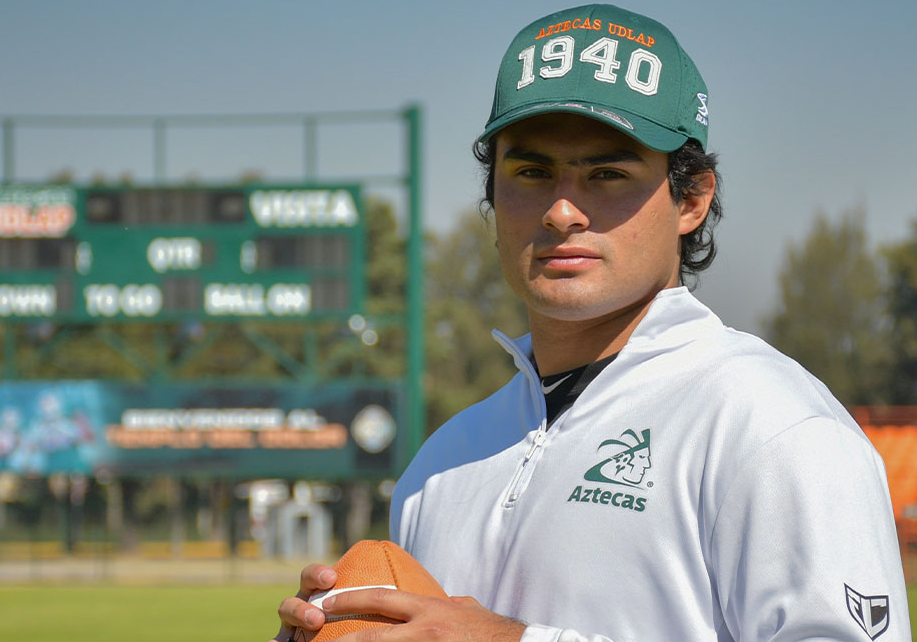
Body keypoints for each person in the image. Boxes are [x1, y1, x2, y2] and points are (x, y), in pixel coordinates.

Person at [274, 4, 910, 641]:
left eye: (607, 174)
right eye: (531, 172)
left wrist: (510, 640)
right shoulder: (441, 462)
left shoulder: (772, 426)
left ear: (691, 199)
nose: (562, 211)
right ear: (492, 194)